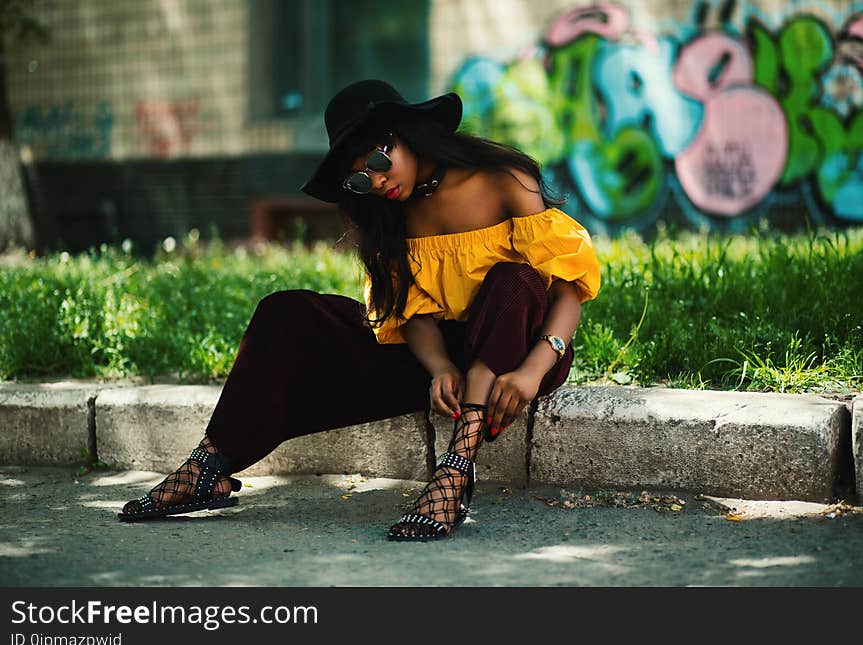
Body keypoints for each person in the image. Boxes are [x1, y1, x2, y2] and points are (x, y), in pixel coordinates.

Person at [119, 79, 601, 541]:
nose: (376, 180)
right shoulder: (388, 214)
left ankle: (456, 471)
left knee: (511, 277)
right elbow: (410, 313)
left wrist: (536, 370)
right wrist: (437, 368)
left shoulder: (504, 178)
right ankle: (211, 466)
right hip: (444, 361)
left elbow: (566, 288)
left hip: (522, 351)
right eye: (359, 176)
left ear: (408, 134)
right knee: (285, 313)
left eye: (377, 159)